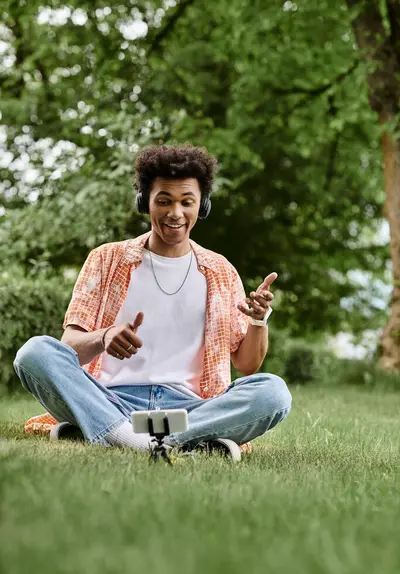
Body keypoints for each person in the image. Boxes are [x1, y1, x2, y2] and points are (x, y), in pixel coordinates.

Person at [14, 144, 292, 462]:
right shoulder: (105, 259)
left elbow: (246, 364)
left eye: (187, 202)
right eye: (164, 201)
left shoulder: (221, 272)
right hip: (110, 399)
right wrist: (104, 337)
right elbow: (70, 348)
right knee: (34, 353)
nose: (175, 213)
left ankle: (113, 433)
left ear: (202, 206)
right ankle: (167, 441)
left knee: (273, 392)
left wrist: (259, 320)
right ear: (144, 203)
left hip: (187, 409)